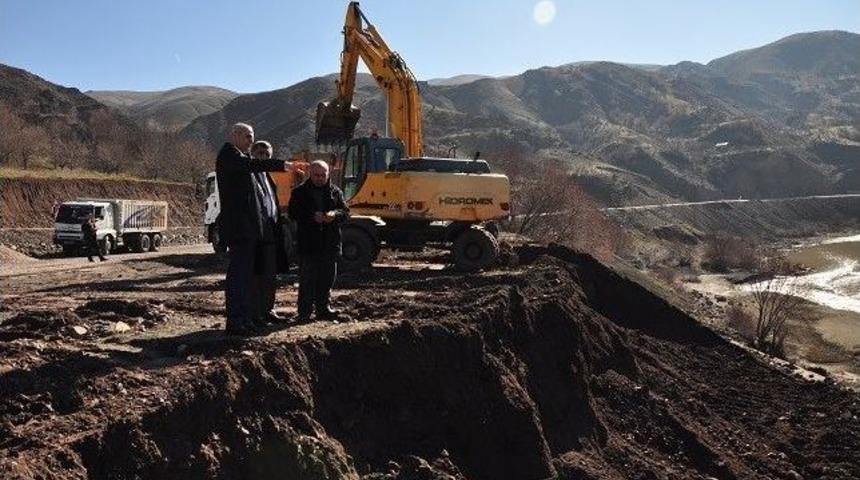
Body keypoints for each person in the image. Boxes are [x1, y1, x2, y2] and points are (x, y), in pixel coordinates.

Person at [216, 123, 289, 336]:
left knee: (248, 277)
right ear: (235, 135)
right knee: (239, 277)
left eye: (252, 136)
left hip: (250, 230)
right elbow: (249, 165)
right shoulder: (229, 155)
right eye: (248, 136)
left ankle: (245, 318)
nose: (251, 141)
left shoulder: (241, 159)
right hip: (240, 229)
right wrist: (284, 165)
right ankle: (236, 321)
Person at [287, 160, 349, 322]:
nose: (320, 178)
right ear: (310, 174)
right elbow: (292, 213)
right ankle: (304, 312)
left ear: (328, 174)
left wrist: (334, 215)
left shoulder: (335, 192)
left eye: (323, 175)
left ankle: (323, 309)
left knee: (327, 278)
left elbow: (345, 212)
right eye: (316, 175)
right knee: (307, 279)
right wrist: (311, 216)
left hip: (329, 243)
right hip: (309, 243)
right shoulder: (300, 192)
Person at [248, 140, 289, 327]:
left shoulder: (268, 177)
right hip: (257, 232)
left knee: (270, 274)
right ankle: (256, 313)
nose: (263, 157)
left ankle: (268, 310)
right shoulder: (249, 176)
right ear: (253, 155)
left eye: (267, 154)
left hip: (271, 230)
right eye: (260, 153)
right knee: (256, 275)